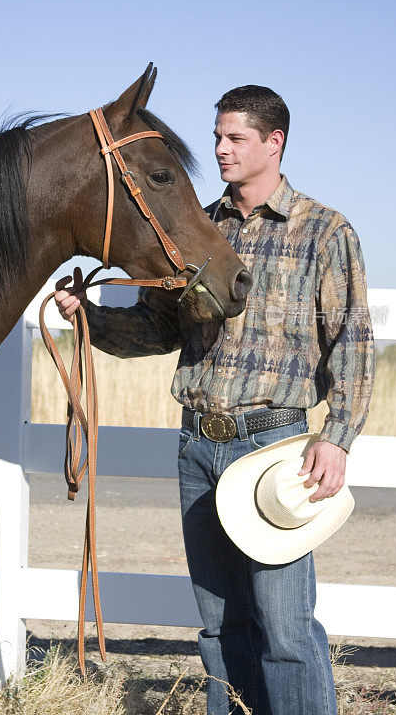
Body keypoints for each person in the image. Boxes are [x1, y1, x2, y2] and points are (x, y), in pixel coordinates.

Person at [55, 86, 375, 715]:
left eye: (235, 138)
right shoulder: (195, 226)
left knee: (286, 631)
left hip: (275, 445)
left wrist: (337, 437)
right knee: (219, 628)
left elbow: (354, 345)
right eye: (218, 136)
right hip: (198, 444)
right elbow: (157, 328)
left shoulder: (324, 232)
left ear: (273, 143)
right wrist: (88, 317)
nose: (220, 150)